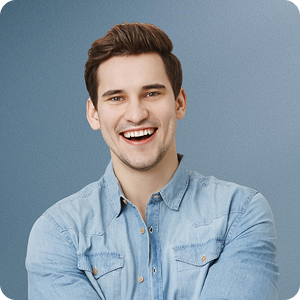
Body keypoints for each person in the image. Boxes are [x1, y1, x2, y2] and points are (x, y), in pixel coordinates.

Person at [26, 22, 279, 300]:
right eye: (116, 98)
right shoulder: (58, 233)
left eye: (152, 93)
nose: (135, 114)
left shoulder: (240, 213)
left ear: (179, 103)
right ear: (94, 114)